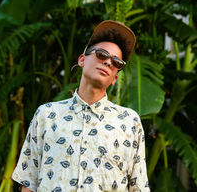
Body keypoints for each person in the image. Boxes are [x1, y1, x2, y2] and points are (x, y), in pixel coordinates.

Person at [12, 20, 150, 192]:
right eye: (101, 54)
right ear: (82, 59)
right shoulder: (47, 115)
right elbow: (28, 183)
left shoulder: (130, 122)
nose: (108, 62)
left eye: (116, 62)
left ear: (115, 78)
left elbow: (138, 187)